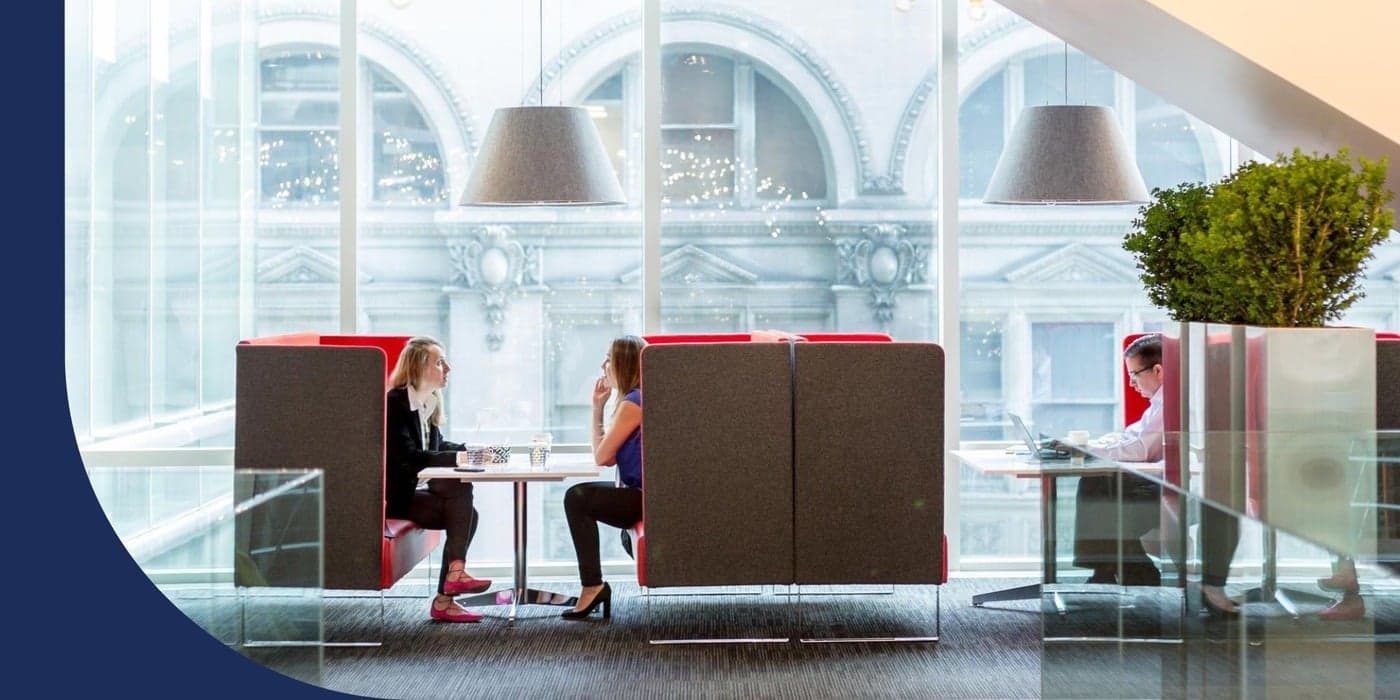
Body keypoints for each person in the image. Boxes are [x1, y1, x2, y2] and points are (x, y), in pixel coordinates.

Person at [385, 336, 491, 623]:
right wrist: (462, 460)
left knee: (468, 511)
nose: (448, 367)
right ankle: (449, 589)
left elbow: (438, 446)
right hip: (395, 498)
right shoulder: (394, 403)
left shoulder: (428, 402)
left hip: (415, 493)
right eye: (440, 362)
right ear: (419, 367)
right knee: (461, 493)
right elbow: (409, 457)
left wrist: (474, 452)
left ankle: (448, 591)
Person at [1066, 334, 1165, 588]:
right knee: (1096, 482)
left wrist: (1089, 450)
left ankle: (1109, 570)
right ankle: (1119, 568)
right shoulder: (1157, 403)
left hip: (1171, 488)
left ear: (1158, 370)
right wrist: (1096, 446)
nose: (1131, 383)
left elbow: (1141, 448)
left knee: (1100, 492)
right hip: (1153, 478)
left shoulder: (1169, 403)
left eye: (1135, 374)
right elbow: (1133, 435)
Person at [560, 335, 647, 620]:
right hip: (644, 492)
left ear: (622, 364)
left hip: (644, 496)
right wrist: (598, 407)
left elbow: (600, 457)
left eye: (608, 358)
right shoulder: (638, 398)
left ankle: (592, 586)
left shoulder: (633, 403)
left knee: (576, 498)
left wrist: (597, 411)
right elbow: (608, 458)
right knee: (579, 497)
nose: (603, 365)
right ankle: (592, 586)